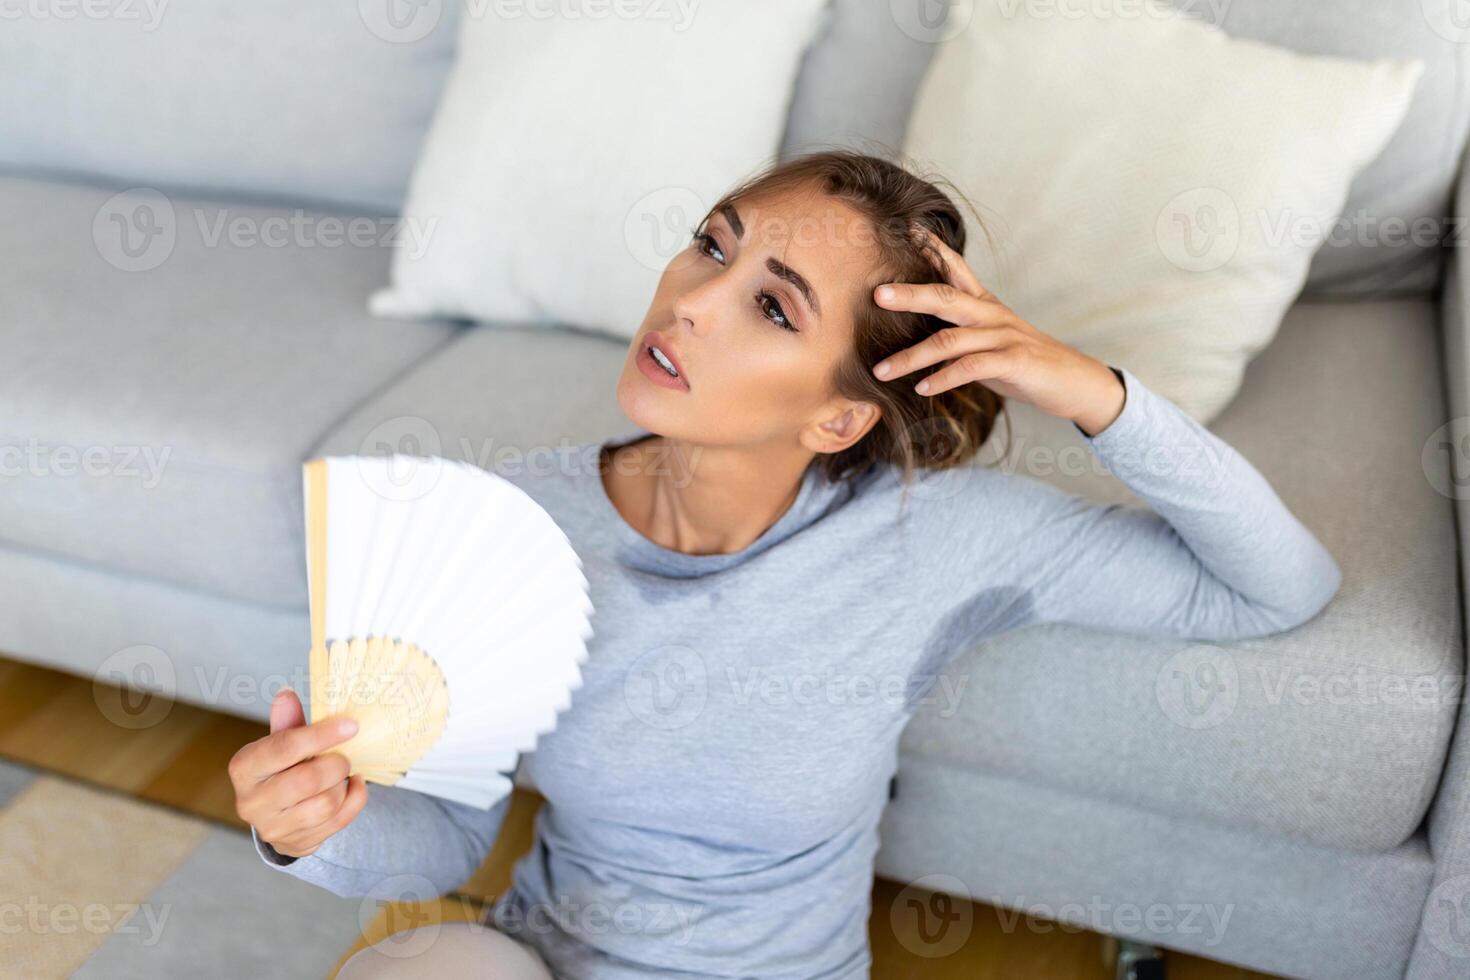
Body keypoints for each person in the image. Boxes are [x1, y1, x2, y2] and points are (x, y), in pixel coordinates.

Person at [229, 151, 1341, 979]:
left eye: (770, 304)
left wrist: (1091, 389)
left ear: (839, 420)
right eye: (713, 244)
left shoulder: (937, 538)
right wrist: (311, 825)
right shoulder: (514, 522)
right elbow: (447, 840)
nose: (692, 300)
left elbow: (1275, 586)